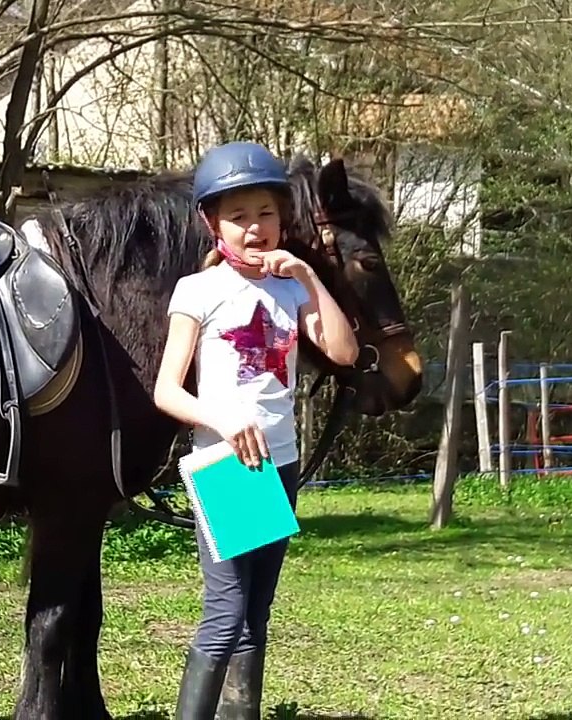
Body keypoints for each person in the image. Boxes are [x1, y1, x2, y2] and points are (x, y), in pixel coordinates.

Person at [153, 141, 359, 719]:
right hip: (228, 466)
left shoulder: (292, 289)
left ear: (282, 218)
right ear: (211, 222)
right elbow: (167, 390)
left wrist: (309, 277)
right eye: (238, 217)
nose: (254, 228)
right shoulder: (198, 291)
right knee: (225, 615)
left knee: (255, 616)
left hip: (281, 462)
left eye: (265, 214)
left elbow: (343, 352)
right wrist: (223, 417)